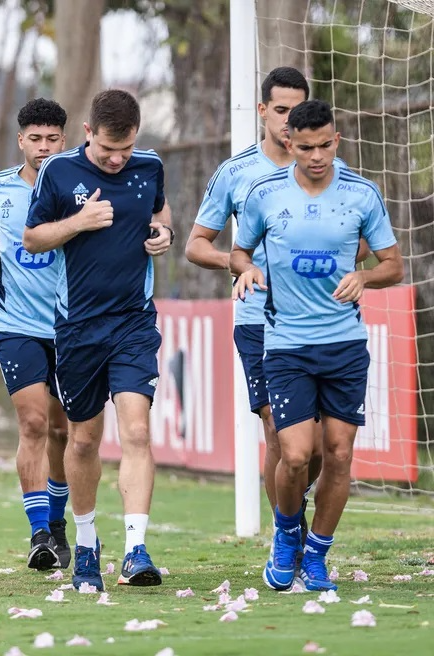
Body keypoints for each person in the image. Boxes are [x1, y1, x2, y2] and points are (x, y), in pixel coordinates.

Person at [232, 100, 402, 592]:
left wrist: (363, 278)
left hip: (344, 344)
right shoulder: (264, 194)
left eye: (326, 145)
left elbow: (392, 264)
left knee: (340, 454)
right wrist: (246, 269)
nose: (317, 156)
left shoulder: (361, 195)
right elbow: (239, 251)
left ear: (337, 141)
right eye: (306, 147)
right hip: (285, 344)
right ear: (290, 143)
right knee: (296, 453)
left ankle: (317, 555)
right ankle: (287, 534)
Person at [22, 89, 173, 591]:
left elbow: (161, 214)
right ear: (89, 133)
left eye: (125, 149)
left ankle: (136, 549)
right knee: (84, 439)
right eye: (108, 148)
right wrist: (78, 222)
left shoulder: (149, 166)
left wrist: (162, 233)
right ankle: (86, 543)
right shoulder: (58, 173)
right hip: (78, 328)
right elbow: (32, 237)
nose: (116, 159)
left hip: (133, 323)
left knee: (136, 432)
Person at [187, 67, 327, 533]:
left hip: (318, 319)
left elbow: (363, 237)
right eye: (281, 110)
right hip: (257, 320)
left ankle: (295, 505)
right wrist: (239, 264)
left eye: (297, 110)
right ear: (263, 110)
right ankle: (290, 536)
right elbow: (196, 244)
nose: (289, 120)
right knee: (278, 432)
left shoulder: (324, 170)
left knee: (319, 447)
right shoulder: (236, 172)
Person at [0, 98, 71, 571]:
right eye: (35, 138)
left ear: (65, 140)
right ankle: (39, 534)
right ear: (21, 141)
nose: (44, 147)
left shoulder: (79, 186)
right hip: (16, 325)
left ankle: (57, 522)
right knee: (33, 424)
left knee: (62, 429)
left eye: (53, 138)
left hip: (72, 325)